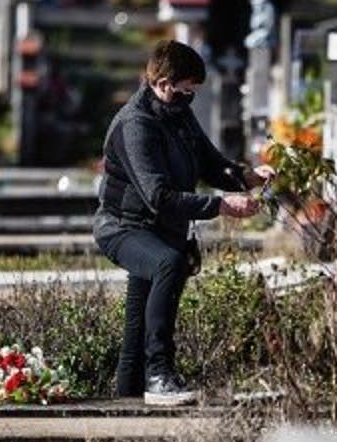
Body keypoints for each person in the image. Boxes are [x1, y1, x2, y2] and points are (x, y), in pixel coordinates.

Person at [93, 40, 273, 405]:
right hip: (124, 227)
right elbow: (158, 196)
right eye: (186, 91)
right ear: (162, 84)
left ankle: (128, 399)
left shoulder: (177, 113)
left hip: (160, 228)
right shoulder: (135, 125)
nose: (190, 99)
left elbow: (209, 162)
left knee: (136, 330)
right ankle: (160, 374)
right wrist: (220, 205)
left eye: (194, 92)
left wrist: (246, 177)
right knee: (168, 264)